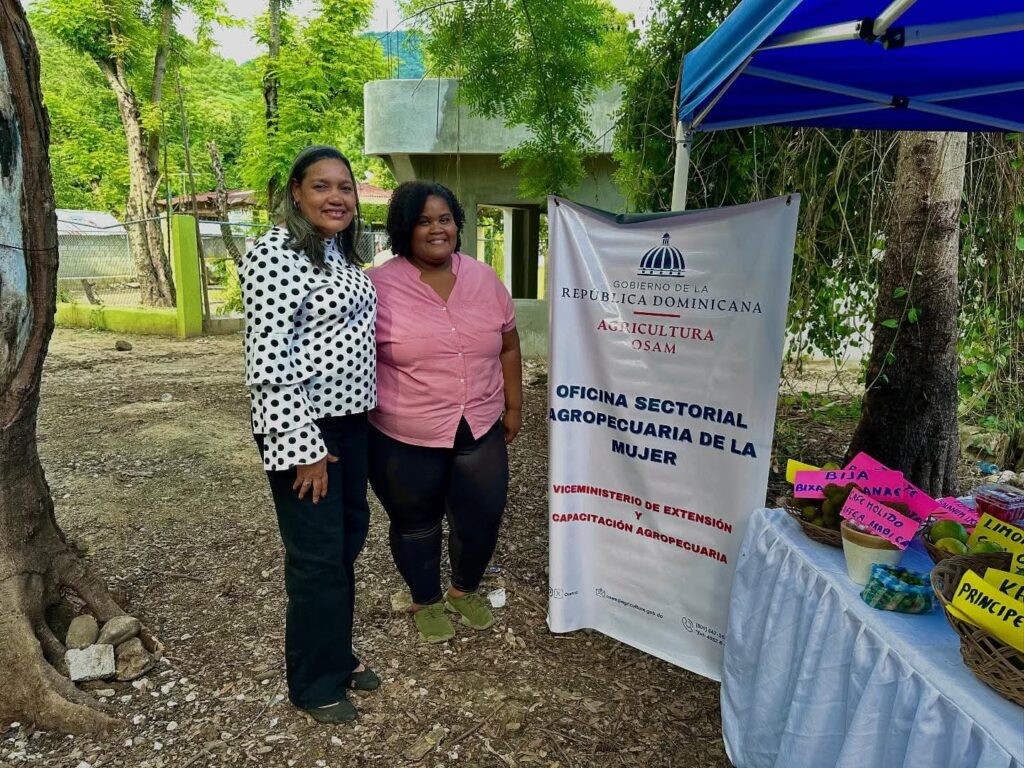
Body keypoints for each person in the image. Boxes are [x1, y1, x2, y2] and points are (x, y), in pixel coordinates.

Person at [239, 146, 379, 723]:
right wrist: (304, 450)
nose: (336, 197)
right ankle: (314, 682)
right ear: (296, 191)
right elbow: (268, 363)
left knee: (346, 543)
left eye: (344, 187)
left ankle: (336, 655)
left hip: (350, 425)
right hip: (306, 428)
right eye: (322, 187)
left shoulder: (337, 256)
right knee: (317, 557)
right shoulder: (274, 255)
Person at [368, 181, 523, 643]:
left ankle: (462, 589)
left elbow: (509, 346)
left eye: (445, 219)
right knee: (416, 522)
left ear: (457, 223)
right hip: (404, 433)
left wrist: (514, 406)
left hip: (479, 424)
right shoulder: (378, 286)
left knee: (482, 515)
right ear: (404, 228)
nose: (437, 229)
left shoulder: (484, 278)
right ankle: (425, 598)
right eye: (423, 220)